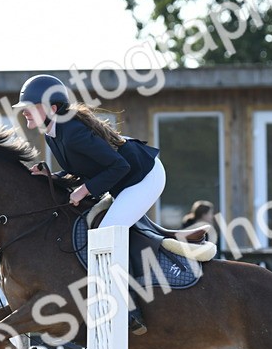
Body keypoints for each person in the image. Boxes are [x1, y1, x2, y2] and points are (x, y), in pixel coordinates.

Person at [13, 74, 164, 334]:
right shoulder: (53, 133)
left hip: (144, 176)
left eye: (31, 106)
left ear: (52, 108)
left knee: (107, 233)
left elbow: (119, 166)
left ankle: (130, 308)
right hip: (124, 178)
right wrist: (52, 176)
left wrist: (85, 190)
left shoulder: (72, 132)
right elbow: (82, 169)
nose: (25, 111)